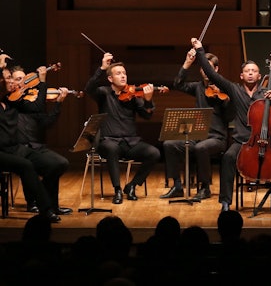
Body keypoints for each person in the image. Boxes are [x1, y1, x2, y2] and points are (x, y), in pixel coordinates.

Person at [191, 37, 271, 212]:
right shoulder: (234, 89)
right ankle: (225, 203)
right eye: (247, 71)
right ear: (241, 75)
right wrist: (200, 51)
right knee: (228, 158)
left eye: (254, 71)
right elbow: (212, 74)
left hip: (266, 142)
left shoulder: (266, 94)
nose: (250, 73)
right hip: (241, 142)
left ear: (260, 76)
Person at [84, 52, 161, 204]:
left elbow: (147, 116)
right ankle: (117, 190)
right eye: (118, 73)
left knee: (154, 153)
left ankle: (132, 185)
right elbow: (89, 88)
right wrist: (102, 67)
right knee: (112, 149)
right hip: (108, 141)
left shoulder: (132, 95)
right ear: (110, 79)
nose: (123, 76)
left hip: (130, 143)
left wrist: (148, 100)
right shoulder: (104, 93)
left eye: (124, 73)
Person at [160, 49, 233, 201]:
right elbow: (178, 84)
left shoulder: (226, 88)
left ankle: (205, 188)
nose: (206, 72)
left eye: (210, 68)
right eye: (203, 68)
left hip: (217, 138)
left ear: (216, 69)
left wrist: (226, 100)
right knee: (169, 144)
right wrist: (187, 63)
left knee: (201, 148)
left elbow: (230, 116)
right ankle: (177, 186)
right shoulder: (198, 87)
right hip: (197, 135)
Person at [0, 54, 61, 223]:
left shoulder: (14, 101)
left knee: (55, 164)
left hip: (15, 149)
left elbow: (37, 109)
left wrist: (41, 83)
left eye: (12, 79)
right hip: (1, 152)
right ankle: (46, 209)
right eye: (7, 79)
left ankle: (49, 203)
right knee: (26, 166)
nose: (13, 82)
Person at [9, 65, 72, 215]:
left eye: (24, 79)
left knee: (60, 164)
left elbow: (47, 122)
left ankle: (48, 202)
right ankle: (35, 202)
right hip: (18, 147)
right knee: (31, 165)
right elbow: (37, 106)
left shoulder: (30, 100)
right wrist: (42, 81)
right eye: (18, 79)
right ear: (9, 82)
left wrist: (58, 103)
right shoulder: (11, 99)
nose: (22, 83)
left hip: (35, 146)